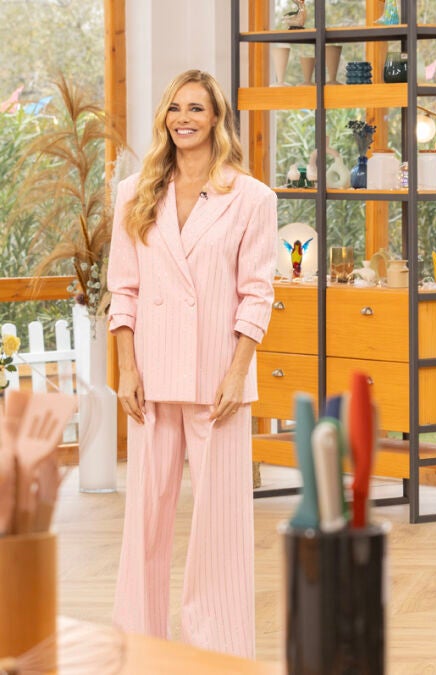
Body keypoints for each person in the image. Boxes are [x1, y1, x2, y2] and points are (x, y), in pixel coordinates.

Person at [108, 69, 277, 658]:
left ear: (216, 119)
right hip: (151, 375)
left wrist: (237, 372)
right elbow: (123, 289)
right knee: (144, 522)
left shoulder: (251, 198)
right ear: (165, 118)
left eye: (196, 109)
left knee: (220, 525)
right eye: (175, 108)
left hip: (219, 379)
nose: (184, 119)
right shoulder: (134, 193)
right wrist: (127, 370)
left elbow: (257, 293)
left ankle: (219, 651)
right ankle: (139, 645)